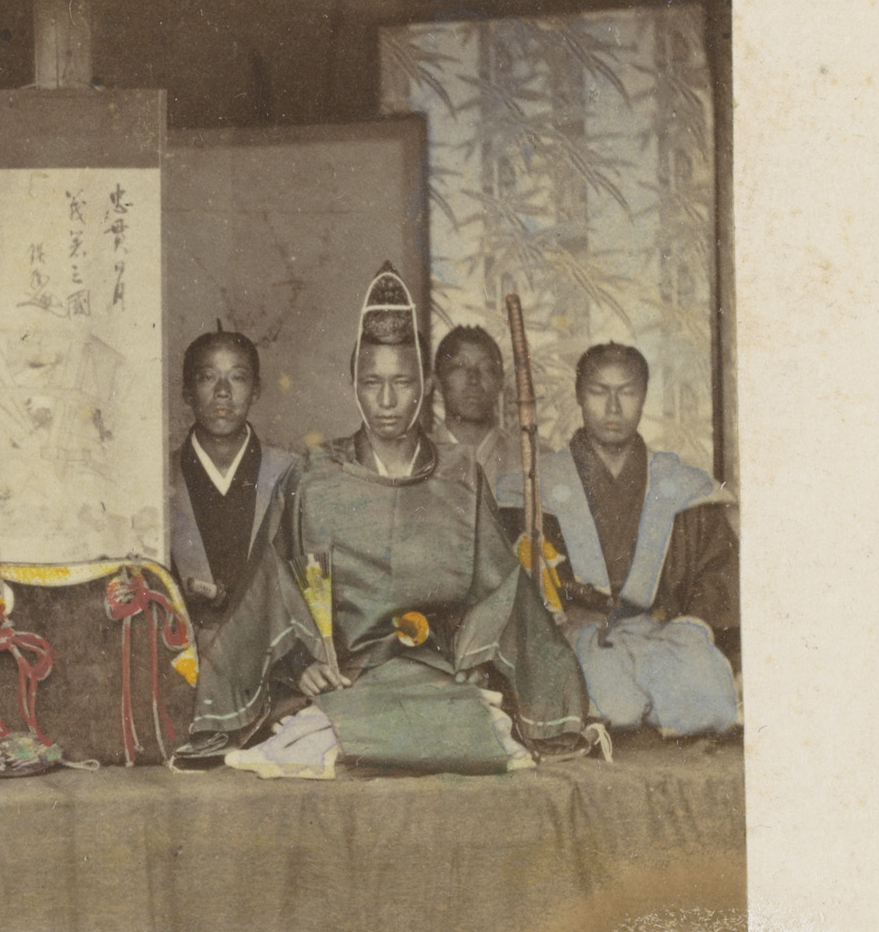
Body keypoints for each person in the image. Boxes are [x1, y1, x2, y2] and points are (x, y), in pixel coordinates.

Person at [171, 263, 598, 777]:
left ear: (426, 385)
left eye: (403, 382)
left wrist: (479, 655)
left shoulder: (460, 475)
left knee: (476, 740)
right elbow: (271, 588)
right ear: (354, 385)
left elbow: (502, 587)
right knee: (315, 745)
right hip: (346, 677)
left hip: (439, 672)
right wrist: (302, 665)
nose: (388, 401)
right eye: (373, 383)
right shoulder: (313, 476)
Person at [494, 343, 740, 737]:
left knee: (706, 705)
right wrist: (559, 615)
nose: (613, 407)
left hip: (662, 636)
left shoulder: (681, 487)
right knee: (613, 707)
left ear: (643, 396)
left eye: (626, 392)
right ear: (579, 395)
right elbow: (513, 582)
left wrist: (683, 626)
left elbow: (716, 579)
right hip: (573, 637)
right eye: (598, 391)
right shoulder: (534, 486)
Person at [168, 324, 298, 630]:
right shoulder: (161, 476)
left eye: (237, 377)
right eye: (207, 377)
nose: (223, 391)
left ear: (256, 391)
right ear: (187, 392)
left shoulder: (290, 473)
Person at [432, 325, 524, 489]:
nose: (473, 379)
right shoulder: (416, 457)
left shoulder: (527, 458)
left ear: (500, 382)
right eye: (460, 366)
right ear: (438, 381)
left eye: (486, 368)